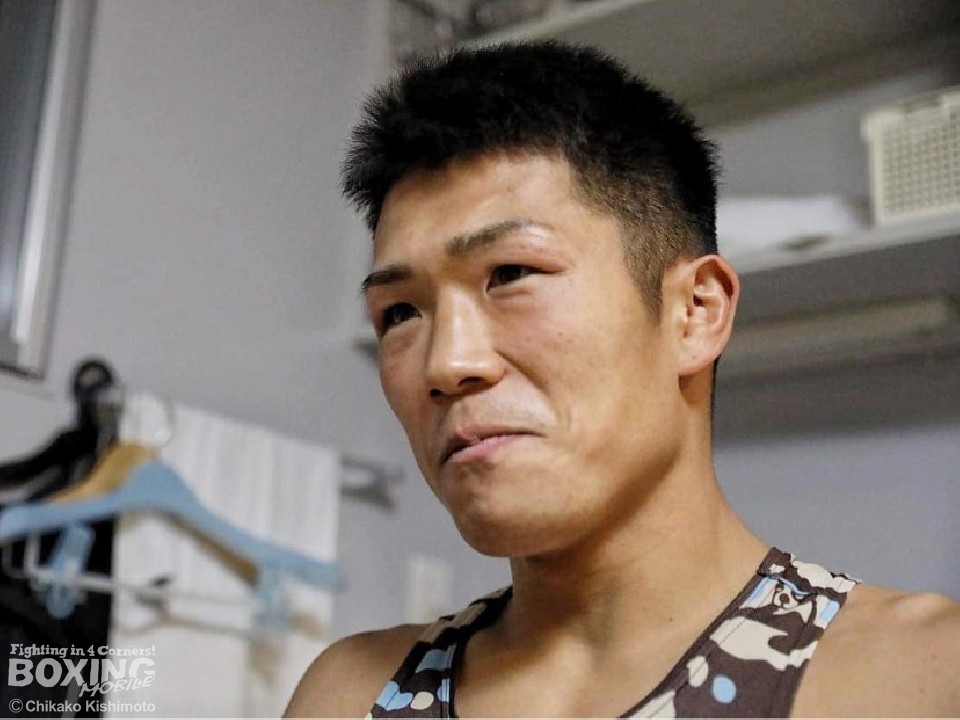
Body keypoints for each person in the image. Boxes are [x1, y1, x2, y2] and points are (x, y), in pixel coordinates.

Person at [285, 41, 960, 718]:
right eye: (400, 312)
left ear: (694, 312)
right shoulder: (348, 693)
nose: (446, 363)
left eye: (511, 274)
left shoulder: (921, 678)